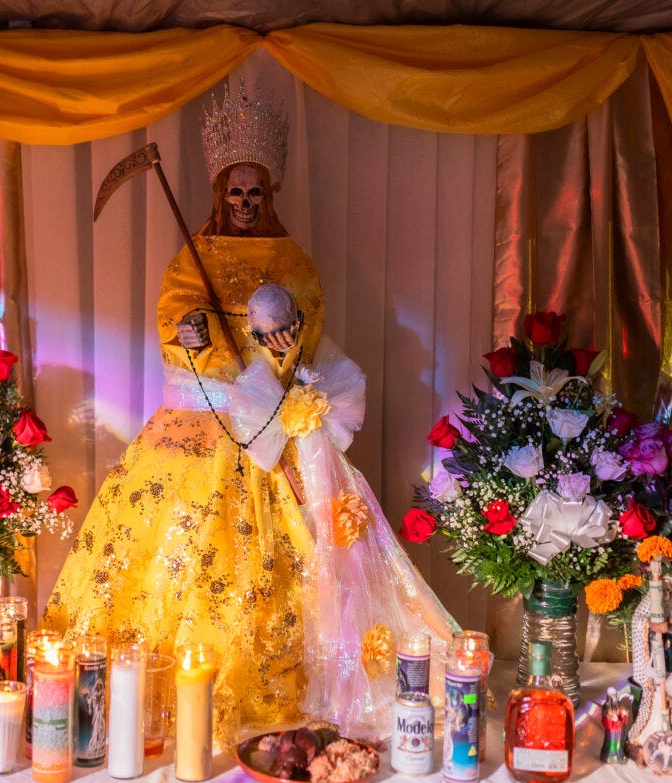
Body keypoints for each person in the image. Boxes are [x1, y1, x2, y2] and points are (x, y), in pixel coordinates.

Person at [43, 85, 457, 738]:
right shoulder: (191, 259)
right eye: (233, 193)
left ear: (270, 194)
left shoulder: (294, 263)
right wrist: (196, 337)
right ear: (219, 194)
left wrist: (277, 355)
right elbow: (175, 321)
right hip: (197, 432)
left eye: (254, 193)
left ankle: (300, 692)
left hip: (272, 435)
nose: (243, 204)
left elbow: (305, 335)